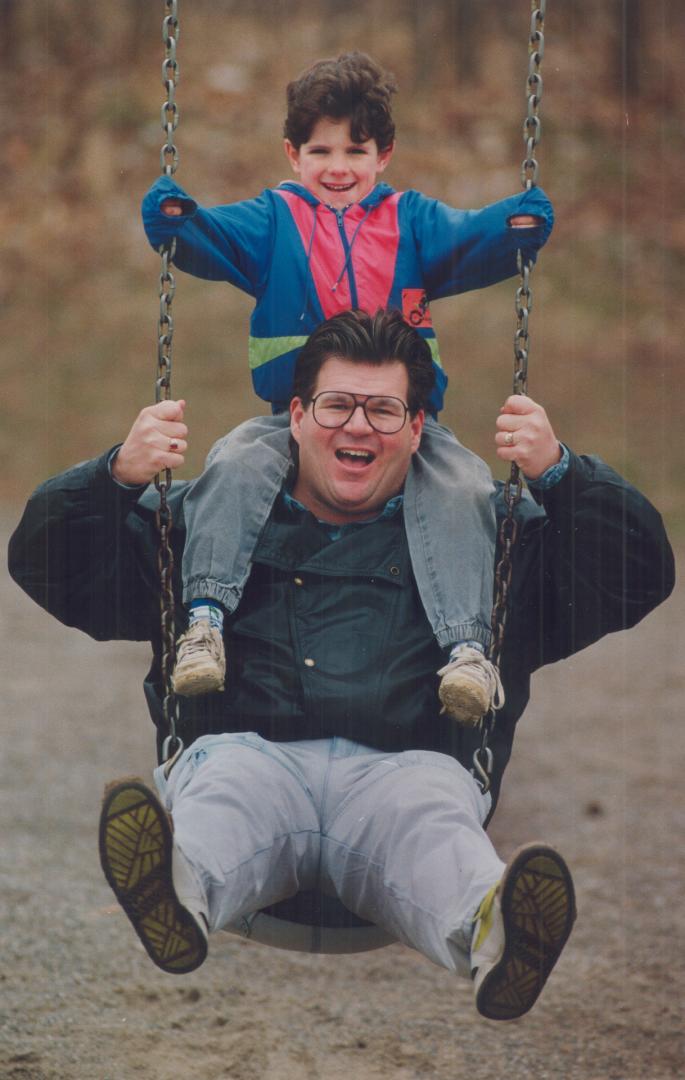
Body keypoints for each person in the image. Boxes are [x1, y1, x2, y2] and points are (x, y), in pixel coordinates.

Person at [8, 310, 674, 1022]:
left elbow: (636, 572)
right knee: (227, 793)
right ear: (296, 415)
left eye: (384, 410)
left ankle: (497, 930)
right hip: (250, 756)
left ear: (417, 429)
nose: (358, 426)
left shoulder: (487, 547)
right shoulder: (210, 532)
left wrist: (561, 472)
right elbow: (50, 565)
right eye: (336, 405)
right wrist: (112, 477)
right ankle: (176, 889)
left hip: (407, 773)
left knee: (430, 823)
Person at [141, 51, 555, 725]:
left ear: (383, 153)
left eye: (355, 151)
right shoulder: (273, 220)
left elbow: (469, 236)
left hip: (405, 423)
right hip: (296, 418)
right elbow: (207, 234)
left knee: (462, 486)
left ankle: (467, 649)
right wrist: (175, 218)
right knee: (233, 463)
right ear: (292, 152)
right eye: (320, 150)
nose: (338, 168)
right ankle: (204, 620)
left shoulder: (411, 221)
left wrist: (517, 224)